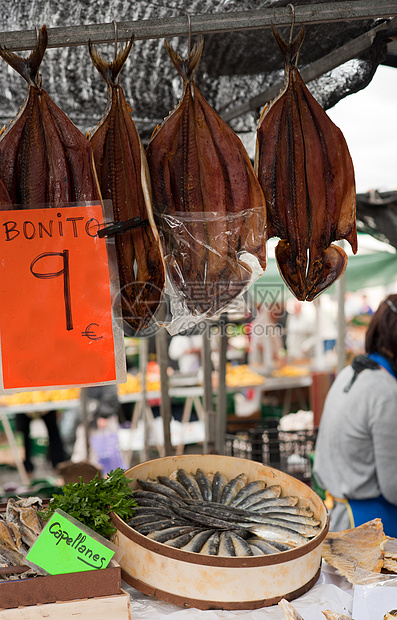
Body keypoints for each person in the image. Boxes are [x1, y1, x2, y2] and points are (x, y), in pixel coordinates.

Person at [313, 294, 397, 536]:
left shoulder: (350, 372)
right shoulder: (385, 390)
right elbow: (393, 487)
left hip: (336, 516)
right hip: (367, 526)